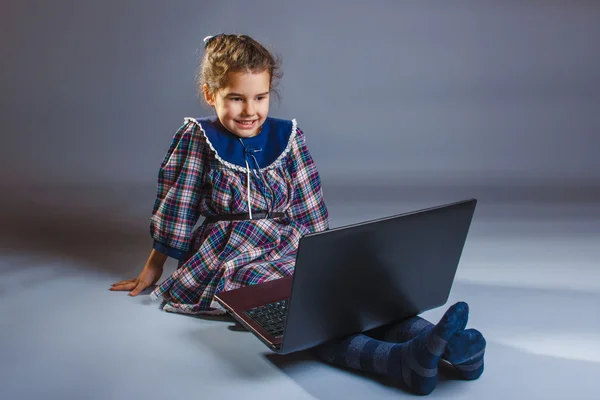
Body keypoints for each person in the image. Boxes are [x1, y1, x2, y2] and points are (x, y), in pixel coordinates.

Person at [110, 33, 486, 395]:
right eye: (236, 98)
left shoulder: (287, 137)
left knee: (342, 296)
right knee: (302, 320)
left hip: (286, 244)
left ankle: (451, 348)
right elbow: (177, 205)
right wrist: (154, 265)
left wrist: (328, 261)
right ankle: (397, 362)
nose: (250, 111)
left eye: (260, 97)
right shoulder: (198, 138)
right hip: (230, 254)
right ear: (211, 95)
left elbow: (309, 207)